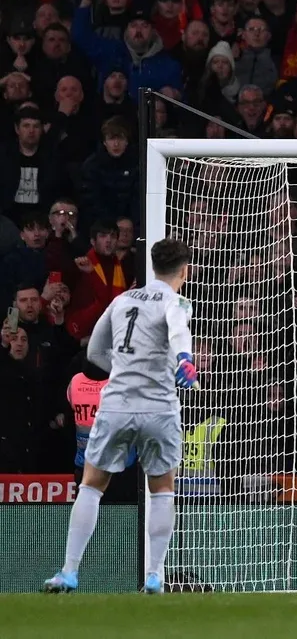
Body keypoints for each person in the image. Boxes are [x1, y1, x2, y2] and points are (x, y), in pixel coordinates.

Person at [44, 238, 198, 594]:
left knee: (91, 485)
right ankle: (155, 575)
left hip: (116, 405)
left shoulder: (122, 300)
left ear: (153, 266)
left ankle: (68, 572)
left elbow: (96, 351)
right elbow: (178, 329)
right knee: (162, 489)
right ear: (185, 271)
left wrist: (125, 370)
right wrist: (184, 359)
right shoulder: (175, 302)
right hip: (159, 408)